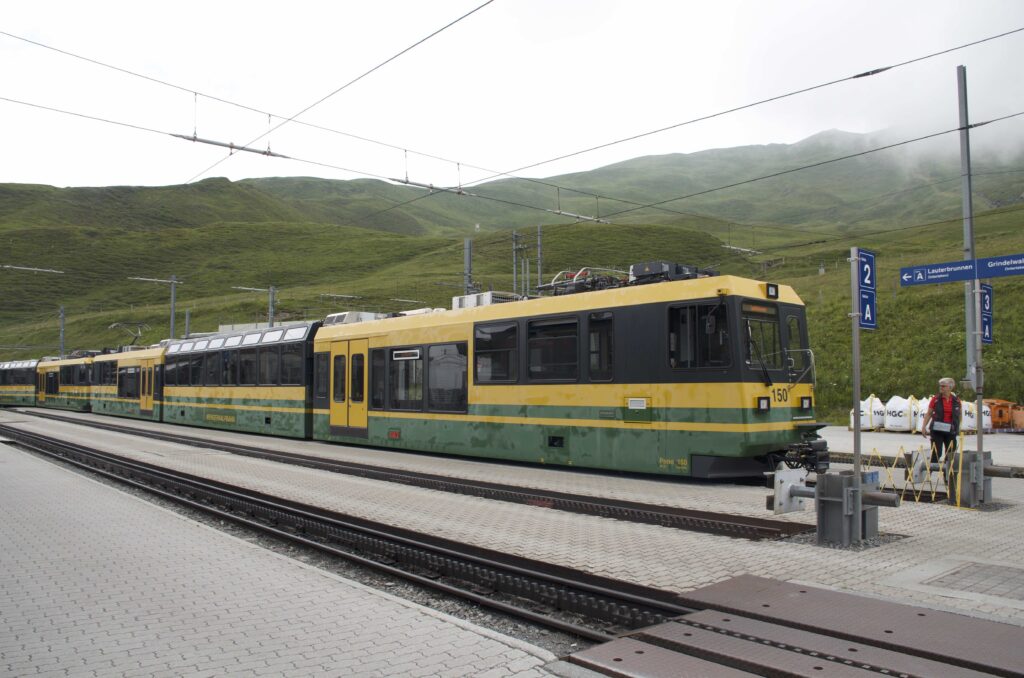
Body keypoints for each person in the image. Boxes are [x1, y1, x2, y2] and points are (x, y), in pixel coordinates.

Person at [920, 377, 961, 464]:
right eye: (940, 386)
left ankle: (948, 476)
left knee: (951, 454)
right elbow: (929, 413)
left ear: (950, 387)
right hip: (937, 430)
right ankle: (929, 476)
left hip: (950, 430)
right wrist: (924, 427)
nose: (941, 388)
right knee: (936, 454)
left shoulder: (956, 400)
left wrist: (958, 427)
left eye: (943, 386)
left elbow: (959, 415)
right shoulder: (935, 399)